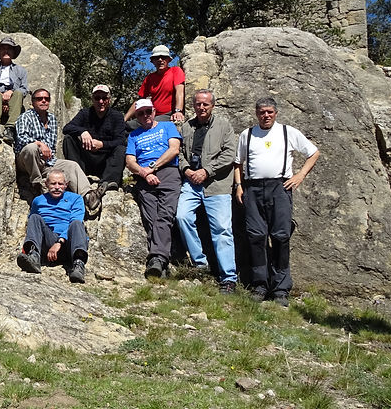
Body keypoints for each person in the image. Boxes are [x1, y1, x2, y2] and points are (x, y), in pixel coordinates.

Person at [234, 97, 320, 306]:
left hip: (279, 188)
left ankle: (281, 289)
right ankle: (260, 285)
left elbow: (313, 153)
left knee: (281, 236)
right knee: (256, 236)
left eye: (270, 112)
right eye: (262, 112)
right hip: (253, 189)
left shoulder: (288, 132)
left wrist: (300, 175)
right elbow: (238, 163)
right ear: (256, 114)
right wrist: (239, 185)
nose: (266, 115)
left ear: (276, 113)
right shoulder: (247, 134)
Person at [175, 90, 238, 293]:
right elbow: (179, 153)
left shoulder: (224, 126)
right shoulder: (187, 127)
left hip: (217, 185)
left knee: (222, 230)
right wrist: (186, 170)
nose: (201, 107)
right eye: (198, 104)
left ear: (212, 106)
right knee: (182, 217)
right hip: (192, 183)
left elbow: (230, 153)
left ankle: (228, 278)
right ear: (193, 105)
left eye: (206, 104)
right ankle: (200, 263)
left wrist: (207, 171)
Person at [125, 98, 182, 279]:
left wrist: (153, 167)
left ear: (154, 111)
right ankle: (161, 262)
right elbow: (130, 161)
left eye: (148, 111)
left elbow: (174, 149)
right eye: (140, 113)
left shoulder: (167, 127)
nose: (145, 116)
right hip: (144, 179)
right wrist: (144, 173)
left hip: (168, 172)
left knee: (165, 215)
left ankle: (157, 259)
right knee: (151, 218)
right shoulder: (134, 135)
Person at [14, 88, 91, 198]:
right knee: (31, 148)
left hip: (47, 161)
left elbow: (52, 146)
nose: (43, 101)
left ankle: (88, 195)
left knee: (72, 165)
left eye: (46, 99)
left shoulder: (52, 119)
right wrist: (39, 144)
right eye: (39, 99)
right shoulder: (25, 117)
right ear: (33, 102)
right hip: (27, 161)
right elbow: (21, 138)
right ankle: (36, 183)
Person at [16, 169, 89, 283]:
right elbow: (34, 225)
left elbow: (76, 219)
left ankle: (78, 264)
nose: (57, 187)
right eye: (53, 183)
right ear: (46, 184)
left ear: (66, 185)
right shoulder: (38, 201)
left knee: (76, 223)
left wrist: (59, 242)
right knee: (34, 217)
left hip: (69, 243)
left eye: (60, 184)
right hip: (48, 243)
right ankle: (34, 256)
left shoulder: (76, 199)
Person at [61, 83, 127, 198]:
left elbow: (121, 140)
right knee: (68, 139)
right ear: (92, 99)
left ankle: (108, 182)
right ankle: (76, 176)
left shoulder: (117, 116)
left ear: (109, 100)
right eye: (97, 98)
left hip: (106, 162)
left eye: (104, 98)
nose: (101, 101)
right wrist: (82, 131)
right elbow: (67, 128)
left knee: (121, 149)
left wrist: (102, 144)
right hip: (86, 159)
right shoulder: (85, 113)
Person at [123, 45, 186, 125]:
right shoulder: (150, 78)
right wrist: (124, 119)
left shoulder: (175, 71)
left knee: (149, 125)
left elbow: (179, 91)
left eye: (163, 57)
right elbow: (139, 101)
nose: (160, 60)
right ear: (152, 61)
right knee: (127, 126)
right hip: (151, 114)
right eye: (156, 58)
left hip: (167, 114)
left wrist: (178, 111)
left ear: (169, 60)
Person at [0, 36, 29, 144]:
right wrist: (0, 95)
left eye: (9, 49)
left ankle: (10, 129)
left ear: (13, 52)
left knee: (18, 92)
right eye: (3, 49)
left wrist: (11, 92)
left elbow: (24, 88)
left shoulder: (21, 70)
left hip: (13, 100)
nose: (6, 51)